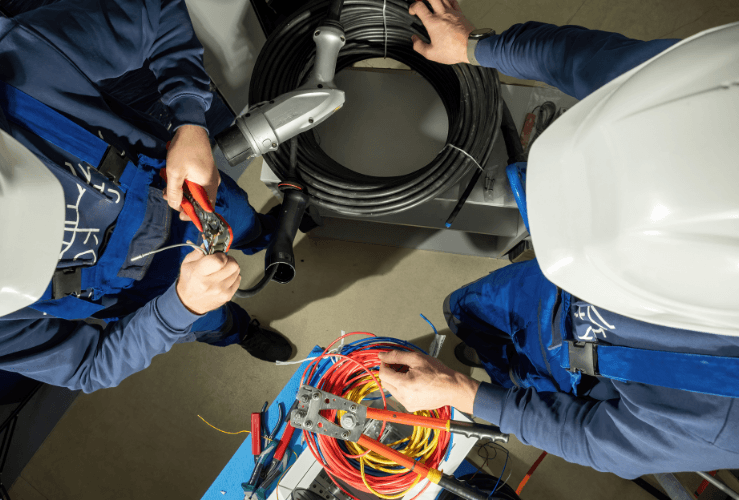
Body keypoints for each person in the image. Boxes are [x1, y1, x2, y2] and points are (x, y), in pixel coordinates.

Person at [379, 0, 739, 479]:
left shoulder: (721, 417)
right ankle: (480, 342)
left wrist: (461, 393)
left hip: (590, 368)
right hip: (554, 297)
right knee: (465, 309)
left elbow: (591, 437)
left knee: (510, 369)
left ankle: (500, 368)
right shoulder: (713, 94)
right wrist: (474, 46)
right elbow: (583, 59)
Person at [0, 0, 292, 394]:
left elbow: (156, 14)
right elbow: (89, 368)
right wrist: (182, 307)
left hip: (180, 192)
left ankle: (273, 235)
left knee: (244, 221)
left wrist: (190, 121)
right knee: (208, 320)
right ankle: (238, 331)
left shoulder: (16, 65)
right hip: (152, 294)